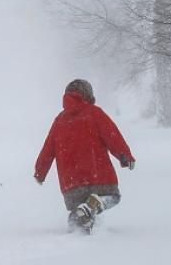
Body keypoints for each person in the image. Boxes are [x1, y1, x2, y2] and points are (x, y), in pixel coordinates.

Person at [34, 79, 135, 234]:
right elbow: (112, 136)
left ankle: (77, 226)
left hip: (71, 183)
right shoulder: (94, 113)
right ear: (88, 95)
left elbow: (47, 149)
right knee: (113, 197)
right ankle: (95, 204)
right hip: (98, 175)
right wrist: (125, 156)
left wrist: (40, 172)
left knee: (79, 208)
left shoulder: (59, 121)